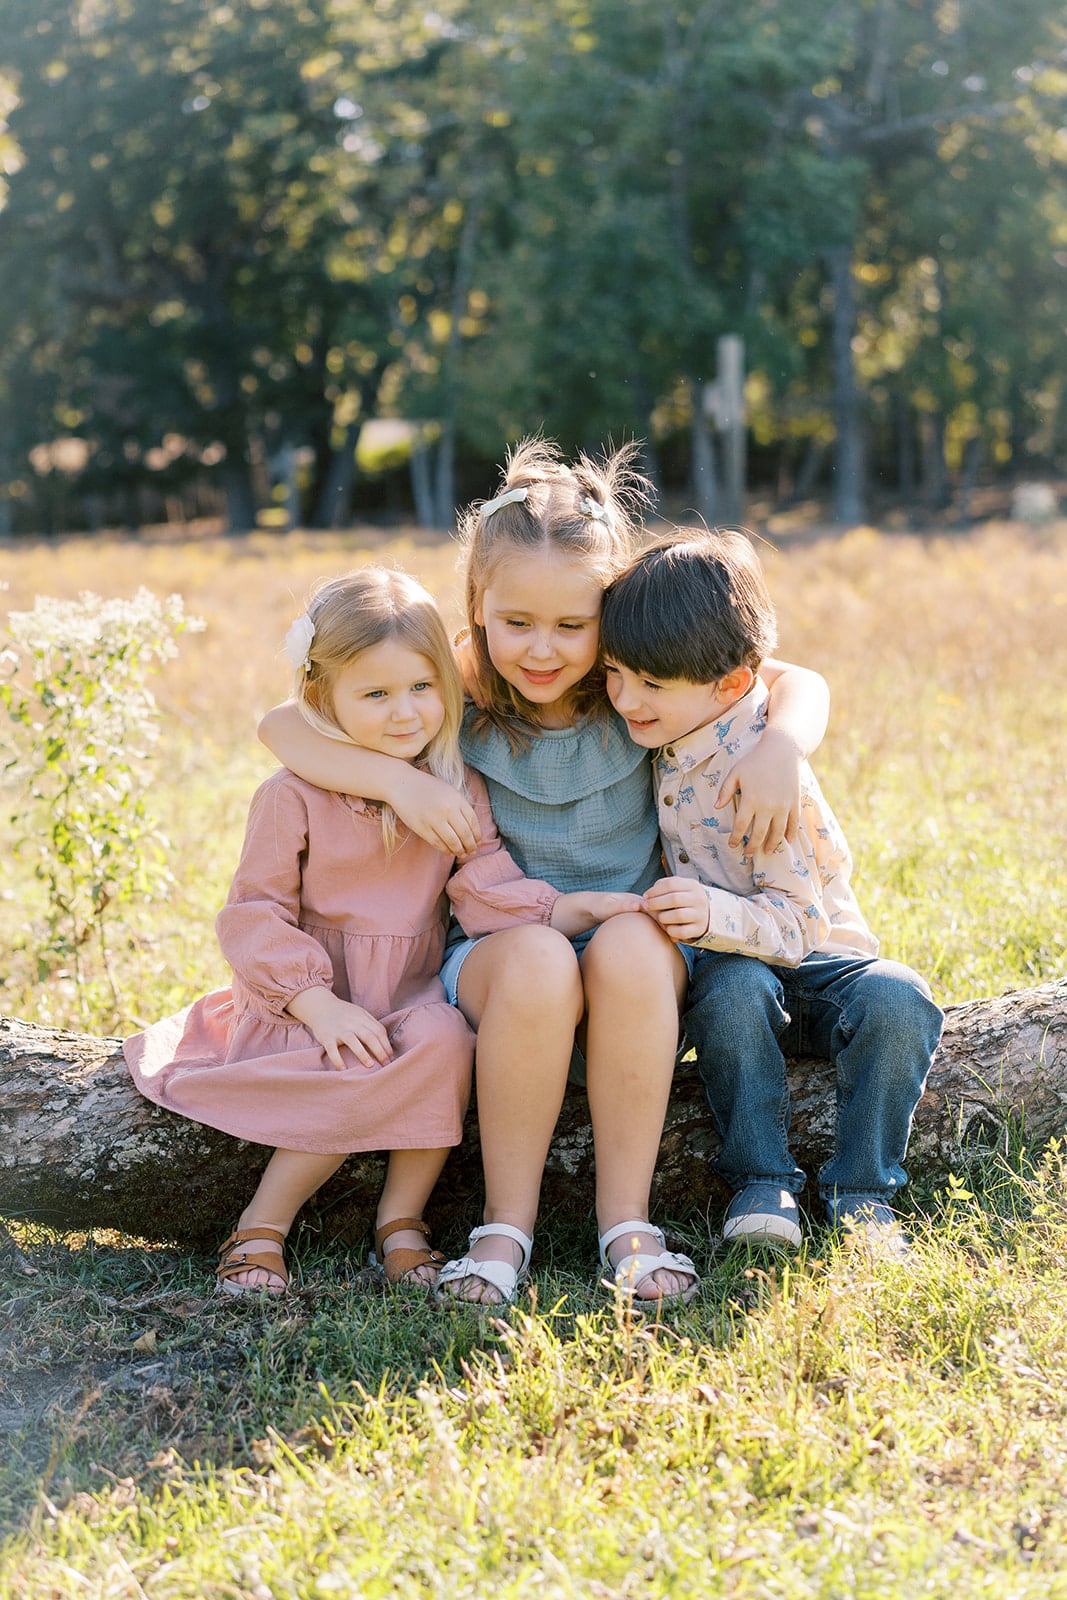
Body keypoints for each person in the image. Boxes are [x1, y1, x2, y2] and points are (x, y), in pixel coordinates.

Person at [258, 441, 831, 1306]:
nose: (543, 649)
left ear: (612, 610)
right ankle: (504, 1227)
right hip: (501, 961)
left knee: (635, 942)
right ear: (477, 605)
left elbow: (798, 681)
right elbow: (281, 726)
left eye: (573, 625)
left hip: (632, 968)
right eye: (515, 622)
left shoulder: (629, 676)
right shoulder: (461, 679)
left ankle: (625, 1222)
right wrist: (395, 779)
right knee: (533, 954)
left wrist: (782, 742)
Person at [124, 566, 639, 1297]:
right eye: (374, 694)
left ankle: (400, 1221)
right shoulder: (292, 794)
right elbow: (252, 914)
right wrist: (315, 1002)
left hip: (407, 993)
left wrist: (568, 910)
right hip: (313, 1000)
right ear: (319, 697)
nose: (405, 714)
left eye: (422, 688)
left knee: (443, 1043)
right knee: (356, 1057)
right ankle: (260, 1225)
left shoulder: (453, 785)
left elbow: (482, 882)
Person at [599, 528, 944, 1258]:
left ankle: (863, 1193)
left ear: (731, 684)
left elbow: (795, 923)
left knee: (899, 999)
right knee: (730, 995)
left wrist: (708, 913)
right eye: (613, 673)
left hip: (818, 962)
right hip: (735, 972)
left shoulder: (756, 770)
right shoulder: (671, 724)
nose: (625, 698)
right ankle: (761, 1181)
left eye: (648, 684)